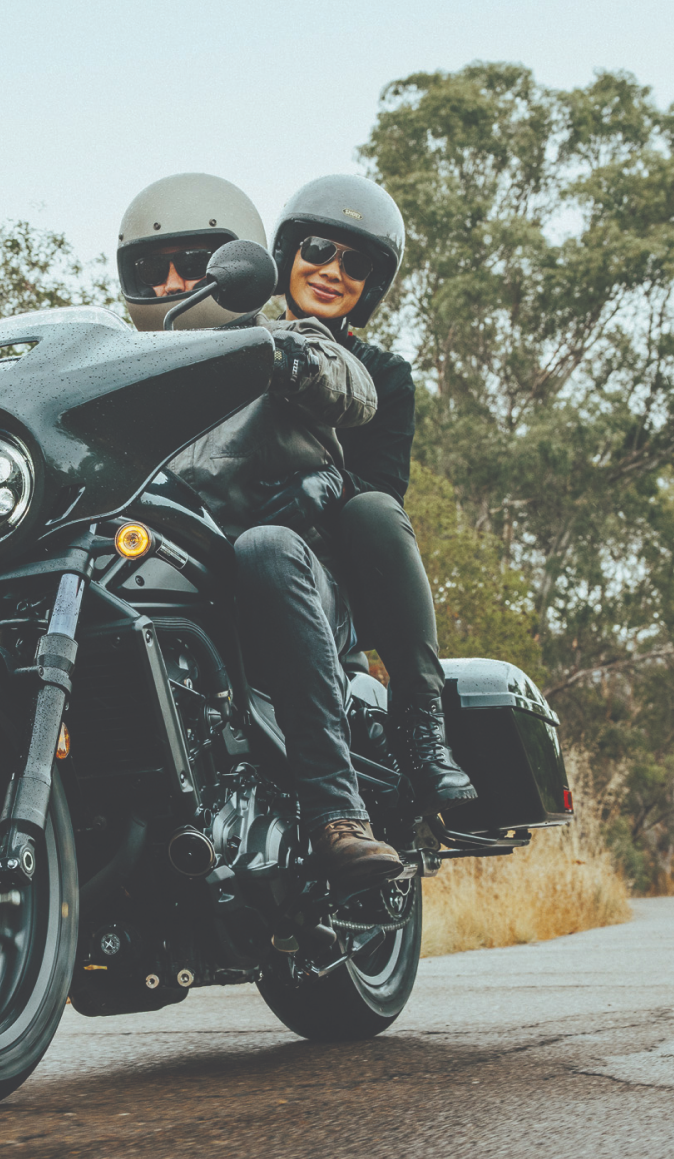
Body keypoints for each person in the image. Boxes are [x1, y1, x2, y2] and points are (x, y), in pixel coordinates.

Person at [114, 173, 401, 886]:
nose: (177, 281)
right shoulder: (117, 367)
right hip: (169, 567)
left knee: (266, 547)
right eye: (155, 269)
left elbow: (353, 383)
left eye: (195, 263)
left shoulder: (275, 342)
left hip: (284, 576)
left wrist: (296, 359)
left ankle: (338, 814)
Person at [267, 175, 476, 812]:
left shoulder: (385, 376)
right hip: (237, 553)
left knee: (377, 510)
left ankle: (421, 727)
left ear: (372, 286)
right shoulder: (238, 347)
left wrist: (321, 487)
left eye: (355, 263)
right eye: (319, 252)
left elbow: (384, 484)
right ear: (288, 256)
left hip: (332, 574)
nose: (333, 272)